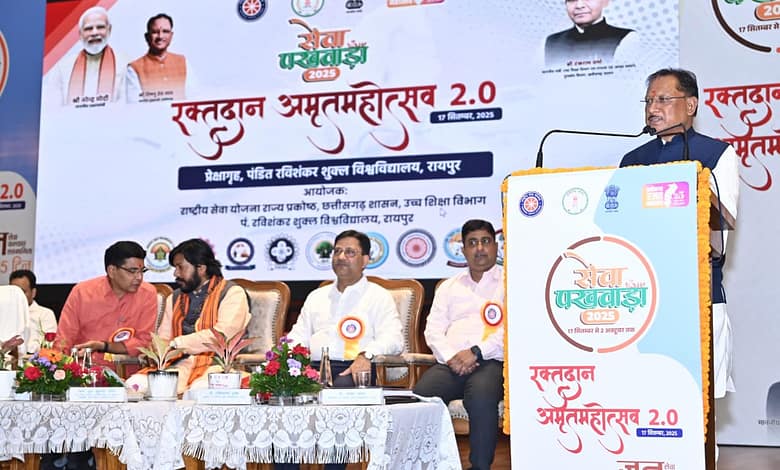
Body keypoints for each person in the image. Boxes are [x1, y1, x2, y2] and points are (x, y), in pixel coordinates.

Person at [620, 68, 739, 460]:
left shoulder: (715, 154)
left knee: (696, 407)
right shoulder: (633, 160)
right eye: (648, 101)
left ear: (691, 105)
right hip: (642, 300)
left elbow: (719, 236)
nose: (652, 108)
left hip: (696, 297)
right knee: (645, 400)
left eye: (662, 99)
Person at [280, 230, 403, 470]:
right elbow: (298, 336)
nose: (341, 257)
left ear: (365, 260)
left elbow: (394, 339)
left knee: (340, 396)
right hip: (312, 369)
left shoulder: (378, 296)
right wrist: (281, 358)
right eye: (337, 251)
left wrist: (366, 355)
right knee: (282, 396)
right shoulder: (316, 297)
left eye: (350, 252)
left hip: (354, 370)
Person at [413, 219, 505, 470]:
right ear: (463, 250)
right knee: (421, 396)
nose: (479, 248)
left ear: (495, 246)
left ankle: (479, 467)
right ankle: (426, 464)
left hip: (492, 362)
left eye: (485, 241)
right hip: (451, 363)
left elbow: (511, 330)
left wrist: (476, 352)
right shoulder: (449, 286)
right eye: (472, 243)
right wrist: (452, 357)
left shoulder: (509, 283)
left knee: (481, 397)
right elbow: (432, 330)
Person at [126, 238, 250, 395]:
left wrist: (177, 344)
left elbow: (222, 335)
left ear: (201, 268)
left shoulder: (232, 293)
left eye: (180, 267)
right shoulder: (175, 297)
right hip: (178, 365)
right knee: (134, 384)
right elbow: (164, 338)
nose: (175, 273)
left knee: (199, 391)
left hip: (218, 366)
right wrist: (156, 349)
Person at [56, 241, 157, 370]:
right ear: (112, 271)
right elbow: (65, 337)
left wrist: (103, 346)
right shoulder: (82, 292)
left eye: (142, 271)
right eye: (132, 271)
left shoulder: (147, 293)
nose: (139, 277)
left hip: (129, 372)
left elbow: (144, 341)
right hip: (84, 370)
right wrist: (58, 370)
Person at [46, 6, 126, 106]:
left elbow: (127, 107)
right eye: (88, 29)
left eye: (100, 27)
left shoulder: (125, 64)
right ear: (80, 34)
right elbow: (53, 107)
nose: (94, 33)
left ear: (109, 30)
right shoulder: (62, 67)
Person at [545, 0, 638, 67]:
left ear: (605, 1)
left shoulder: (626, 38)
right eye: (572, 0)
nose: (579, 5)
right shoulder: (552, 41)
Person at [127, 13, 193, 103]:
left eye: (165, 31)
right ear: (147, 37)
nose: (160, 36)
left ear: (171, 36)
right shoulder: (134, 68)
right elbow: (134, 105)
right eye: (155, 32)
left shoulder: (182, 62)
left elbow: (193, 98)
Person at [9, 270, 57, 354]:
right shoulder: (4, 314)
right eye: (13, 292)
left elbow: (50, 345)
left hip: (34, 359)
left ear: (33, 292)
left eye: (22, 292)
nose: (18, 296)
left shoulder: (45, 314)